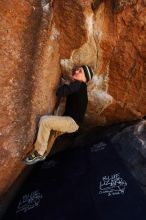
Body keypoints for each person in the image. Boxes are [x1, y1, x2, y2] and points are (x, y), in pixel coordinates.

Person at [24, 65, 94, 165]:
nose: (76, 71)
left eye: (80, 71)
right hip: (73, 123)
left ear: (85, 78)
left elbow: (60, 92)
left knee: (45, 121)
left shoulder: (78, 84)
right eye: (78, 69)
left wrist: (66, 84)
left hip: (71, 122)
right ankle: (43, 154)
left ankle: (39, 152)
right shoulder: (81, 88)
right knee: (52, 133)